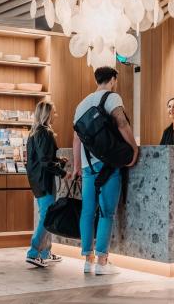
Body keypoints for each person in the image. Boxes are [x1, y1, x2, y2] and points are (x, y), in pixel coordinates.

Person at [72, 66, 138, 275]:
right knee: (107, 212)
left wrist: (76, 166)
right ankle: (102, 261)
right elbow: (122, 124)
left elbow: (76, 138)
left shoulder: (81, 104)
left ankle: (87, 260)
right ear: (113, 79)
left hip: (87, 165)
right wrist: (133, 149)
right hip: (109, 164)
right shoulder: (112, 98)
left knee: (87, 211)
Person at [25, 100, 71, 268]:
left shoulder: (34, 133)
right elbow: (45, 161)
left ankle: (45, 252)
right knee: (46, 216)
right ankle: (33, 252)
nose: (56, 115)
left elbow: (41, 158)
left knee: (47, 214)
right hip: (45, 181)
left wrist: (59, 161)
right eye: (54, 112)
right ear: (47, 114)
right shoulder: (45, 133)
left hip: (37, 181)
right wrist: (63, 172)